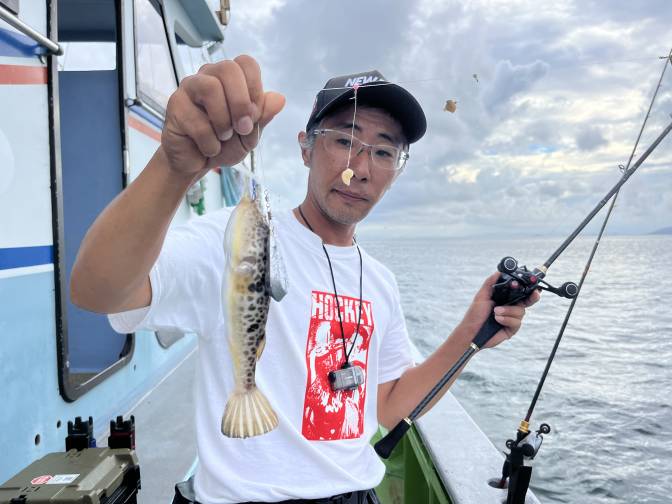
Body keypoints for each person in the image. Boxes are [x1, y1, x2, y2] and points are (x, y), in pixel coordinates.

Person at [70, 55, 539, 504]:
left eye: (383, 151)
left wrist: (471, 332)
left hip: (356, 495)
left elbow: (389, 407)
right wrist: (174, 169)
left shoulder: (380, 282)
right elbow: (99, 291)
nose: (360, 169)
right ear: (305, 147)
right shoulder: (236, 238)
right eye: (344, 140)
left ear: (396, 171)